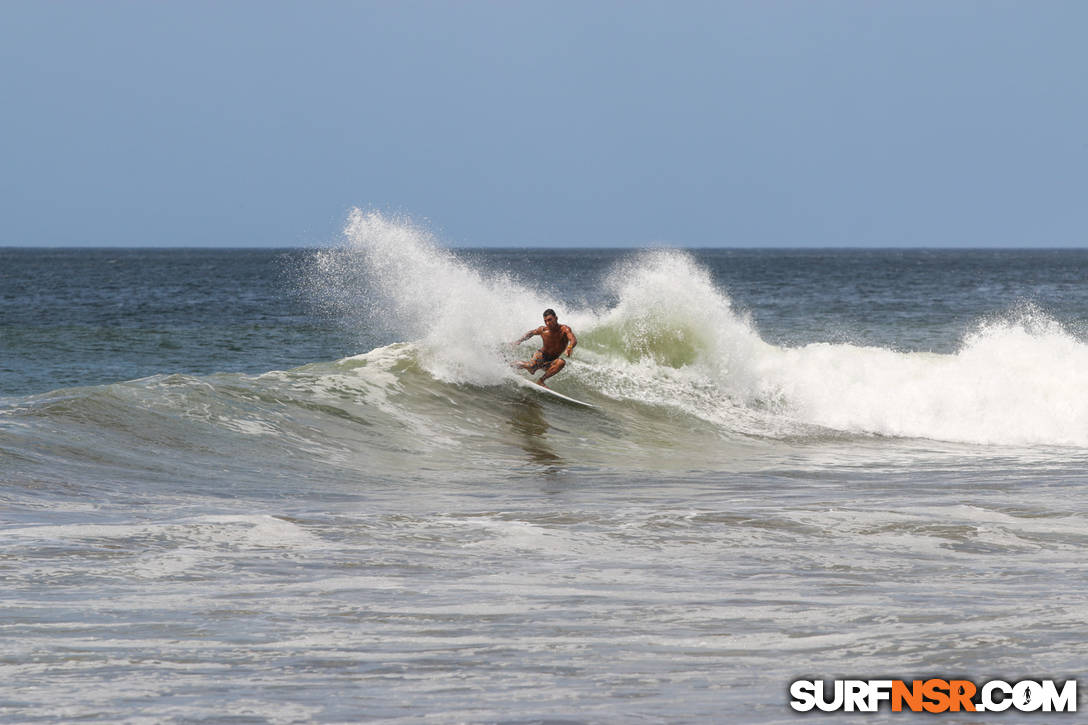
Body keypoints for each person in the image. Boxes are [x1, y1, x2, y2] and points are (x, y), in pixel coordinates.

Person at [511, 308, 577, 387]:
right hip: (541, 355)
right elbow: (531, 333)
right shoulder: (543, 330)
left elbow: (573, 339)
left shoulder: (564, 329)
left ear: (556, 318)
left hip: (551, 361)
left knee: (561, 362)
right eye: (545, 321)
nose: (548, 323)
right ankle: (509, 366)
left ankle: (541, 381)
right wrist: (519, 341)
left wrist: (570, 347)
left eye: (550, 320)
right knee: (531, 368)